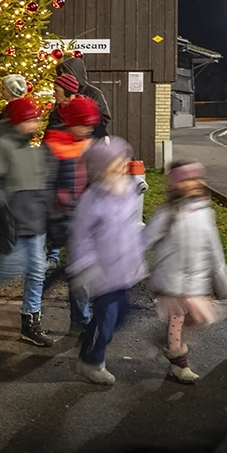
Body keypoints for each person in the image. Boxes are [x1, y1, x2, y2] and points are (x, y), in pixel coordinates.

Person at [0, 97, 54, 346]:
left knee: (37, 272)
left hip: (35, 222)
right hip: (15, 222)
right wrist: (5, 213)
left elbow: (41, 186)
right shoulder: (1, 146)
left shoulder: (34, 151)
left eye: (36, 120)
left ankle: (30, 323)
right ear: (17, 122)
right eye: (30, 120)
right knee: (9, 269)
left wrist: (47, 214)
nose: (35, 124)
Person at [144, 161, 227, 384]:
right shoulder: (168, 214)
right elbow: (144, 240)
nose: (192, 183)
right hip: (171, 282)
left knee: (199, 317)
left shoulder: (205, 213)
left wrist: (222, 280)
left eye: (196, 178)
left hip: (195, 283)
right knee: (177, 319)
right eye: (185, 180)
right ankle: (179, 364)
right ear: (175, 185)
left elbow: (214, 250)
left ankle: (167, 340)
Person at [68, 137, 146, 385]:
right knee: (107, 318)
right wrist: (85, 267)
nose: (122, 165)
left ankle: (91, 339)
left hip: (124, 270)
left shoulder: (127, 191)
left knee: (123, 314)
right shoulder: (92, 200)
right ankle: (91, 361)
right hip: (102, 272)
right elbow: (81, 237)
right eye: (115, 162)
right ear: (102, 168)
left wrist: (138, 259)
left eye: (123, 159)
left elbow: (130, 230)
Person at [41, 96, 101, 332]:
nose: (88, 129)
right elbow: (46, 183)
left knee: (79, 269)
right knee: (75, 269)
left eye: (90, 125)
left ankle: (80, 317)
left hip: (81, 217)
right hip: (60, 216)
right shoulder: (53, 144)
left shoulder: (88, 144)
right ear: (72, 122)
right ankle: (37, 306)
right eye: (84, 124)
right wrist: (53, 216)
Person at [58, 57, 112, 138]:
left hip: (92, 139)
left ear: (75, 72)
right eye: (61, 72)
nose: (63, 75)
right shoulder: (62, 93)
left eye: (65, 72)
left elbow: (105, 118)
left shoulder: (93, 92)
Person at [0, 74, 27, 143]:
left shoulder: (15, 111)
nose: (1, 91)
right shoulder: (10, 109)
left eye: (3, 88)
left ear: (10, 91)